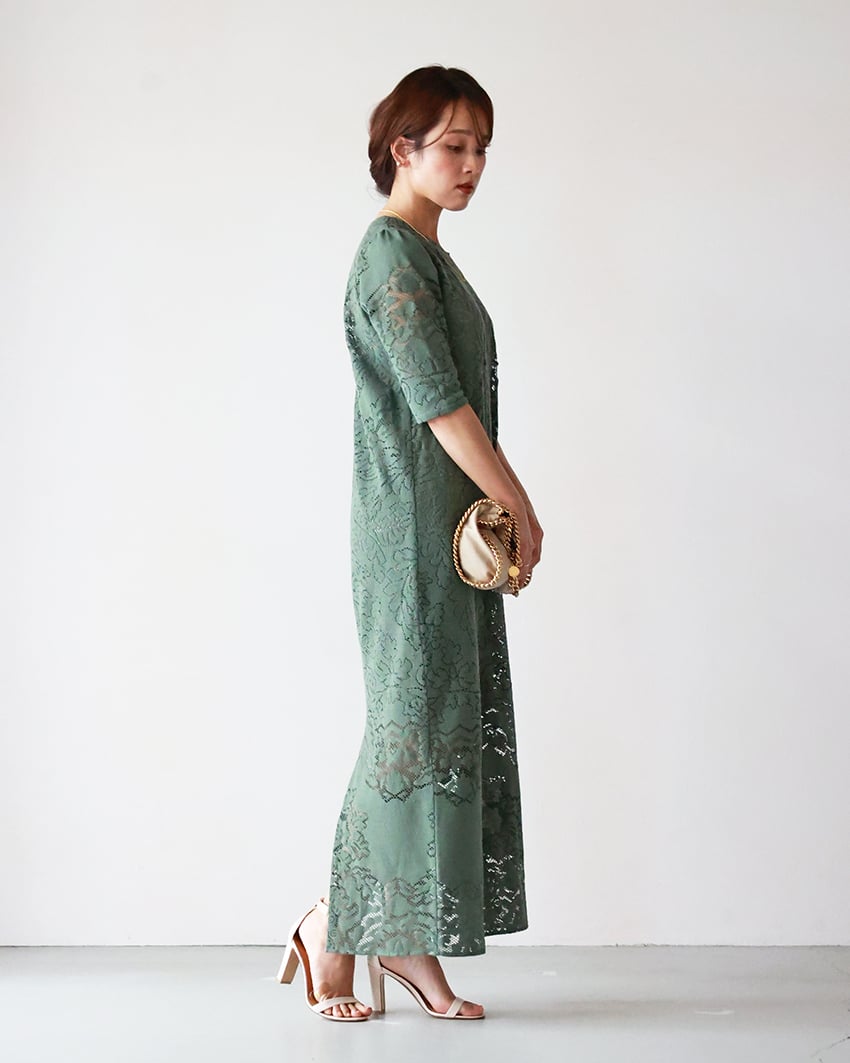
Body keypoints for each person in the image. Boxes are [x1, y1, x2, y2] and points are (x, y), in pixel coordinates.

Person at [276, 65, 543, 1022]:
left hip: (446, 531)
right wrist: (517, 498)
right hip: (409, 535)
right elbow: (437, 401)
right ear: (404, 149)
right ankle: (338, 923)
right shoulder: (390, 253)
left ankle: (397, 936)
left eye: (482, 149)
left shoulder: (428, 253)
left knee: (434, 733)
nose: (472, 164)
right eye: (455, 146)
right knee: (408, 731)